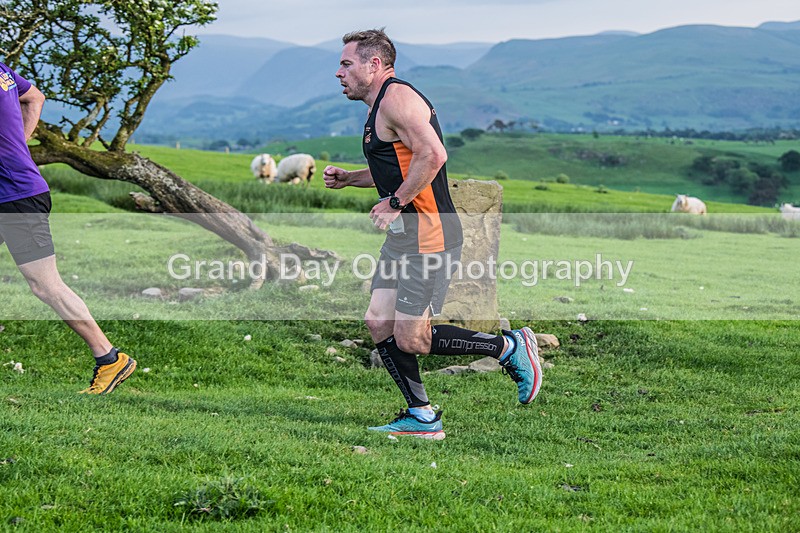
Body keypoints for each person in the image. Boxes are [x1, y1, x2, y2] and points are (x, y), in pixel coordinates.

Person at [324, 29, 541, 439]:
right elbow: (404, 165)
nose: (339, 73)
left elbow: (434, 156)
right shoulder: (381, 106)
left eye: (346, 64)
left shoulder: (398, 98)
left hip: (431, 234)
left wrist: (395, 202)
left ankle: (508, 348)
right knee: (378, 321)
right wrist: (350, 178)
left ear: (375, 65)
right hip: (406, 235)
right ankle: (422, 415)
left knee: (413, 338)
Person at [0, 61, 136, 394]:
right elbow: (35, 98)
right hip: (16, 190)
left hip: (16, 198)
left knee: (46, 286)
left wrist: (15, 147)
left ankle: (110, 358)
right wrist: (19, 144)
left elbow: (34, 99)